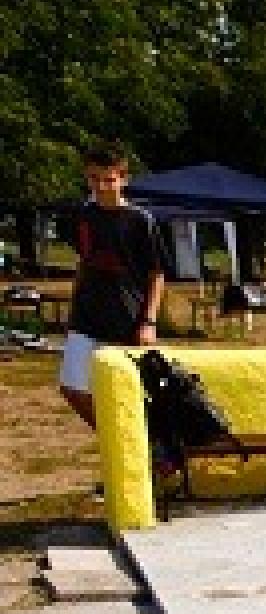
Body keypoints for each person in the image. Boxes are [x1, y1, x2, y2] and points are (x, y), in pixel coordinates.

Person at [61, 143, 164, 430]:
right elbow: (83, 261)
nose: (103, 186)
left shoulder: (140, 220)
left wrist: (149, 321)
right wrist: (74, 307)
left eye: (109, 179)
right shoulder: (82, 215)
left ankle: (150, 445)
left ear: (123, 178)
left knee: (128, 393)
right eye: (95, 179)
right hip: (86, 318)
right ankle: (115, 439)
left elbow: (157, 274)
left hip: (126, 319)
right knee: (72, 389)